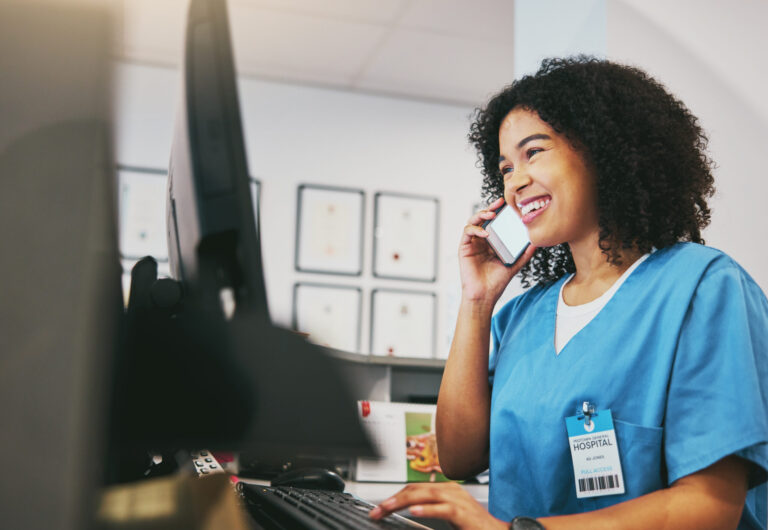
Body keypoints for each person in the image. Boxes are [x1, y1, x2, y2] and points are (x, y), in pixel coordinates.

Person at [369, 56, 768, 529]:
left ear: (605, 151)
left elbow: (709, 507)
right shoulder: (520, 315)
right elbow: (457, 460)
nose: (515, 181)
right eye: (505, 168)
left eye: (533, 153)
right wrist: (476, 303)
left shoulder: (704, 289)